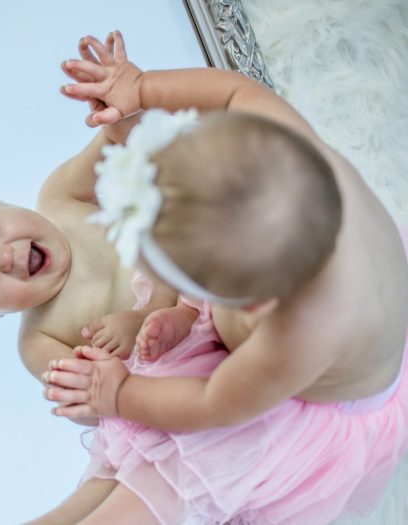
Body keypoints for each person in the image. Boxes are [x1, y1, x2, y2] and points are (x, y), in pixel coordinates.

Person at [38, 31, 408, 523]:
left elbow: (212, 403)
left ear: (253, 305)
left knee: (178, 472)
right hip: (324, 292)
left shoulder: (299, 334)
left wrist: (119, 393)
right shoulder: (290, 146)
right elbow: (235, 91)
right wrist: (142, 87)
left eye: (191, 290)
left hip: (313, 400)